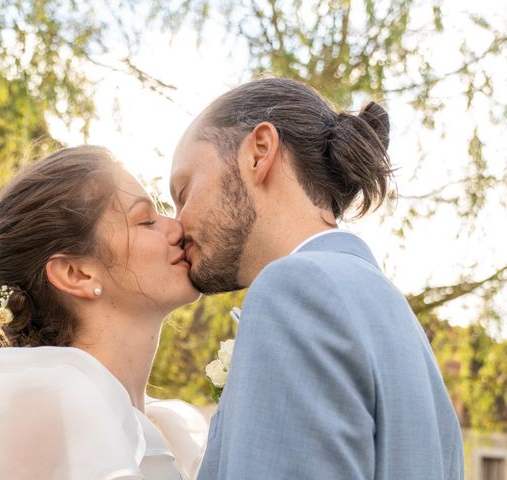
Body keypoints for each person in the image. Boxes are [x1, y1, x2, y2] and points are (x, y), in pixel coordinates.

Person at [170, 78, 464, 479]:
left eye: (184, 191)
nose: (176, 223)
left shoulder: (292, 291)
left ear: (259, 152)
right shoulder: (401, 323)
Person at [0, 145, 207, 480]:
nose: (176, 228)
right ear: (76, 274)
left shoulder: (169, 428)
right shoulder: (39, 409)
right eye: (147, 221)